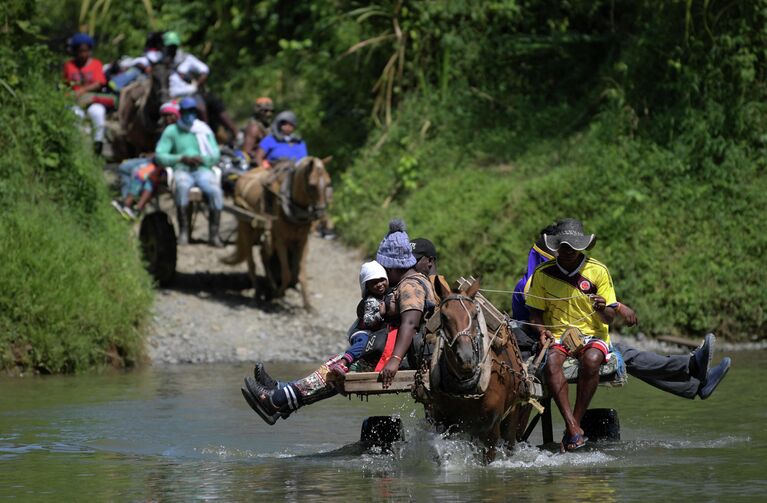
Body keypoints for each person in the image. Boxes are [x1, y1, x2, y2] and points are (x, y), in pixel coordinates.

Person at [242, 219, 435, 424]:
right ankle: (281, 394)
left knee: (335, 372)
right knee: (336, 365)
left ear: (393, 265)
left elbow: (410, 323)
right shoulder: (413, 282)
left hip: (395, 356)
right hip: (388, 350)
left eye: (385, 268)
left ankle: (276, 400)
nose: (384, 274)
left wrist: (395, 360)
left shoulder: (411, 286)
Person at [514, 222, 731, 400]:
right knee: (625, 354)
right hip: (545, 341)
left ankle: (694, 382)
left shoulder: (544, 276)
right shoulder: (536, 280)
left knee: (624, 353)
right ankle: (691, 369)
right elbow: (539, 316)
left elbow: (578, 292)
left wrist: (615, 305)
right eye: (564, 248)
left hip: (574, 334)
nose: (570, 253)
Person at [526, 219, 618, 451]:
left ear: (582, 247)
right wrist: (541, 331)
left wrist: (602, 307)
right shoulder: (542, 273)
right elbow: (534, 313)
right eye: (563, 247)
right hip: (557, 335)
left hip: (592, 333)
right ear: (556, 248)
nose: (567, 252)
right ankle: (573, 426)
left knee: (592, 359)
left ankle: (572, 426)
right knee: (552, 364)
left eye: (572, 247)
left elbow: (610, 317)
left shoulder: (598, 271)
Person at [154, 97, 223, 247]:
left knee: (215, 191)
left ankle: (214, 234)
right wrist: (180, 158)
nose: (189, 114)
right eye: (186, 111)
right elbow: (160, 155)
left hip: (203, 169)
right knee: (182, 186)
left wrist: (203, 159)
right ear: (181, 112)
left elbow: (215, 154)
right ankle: (184, 232)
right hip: (182, 170)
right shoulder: (172, 131)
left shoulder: (204, 130)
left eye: (192, 111)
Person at [63, 32, 116, 155]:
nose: (83, 54)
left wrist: (82, 90)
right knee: (76, 116)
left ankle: (98, 147)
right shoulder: (68, 66)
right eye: (80, 51)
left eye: (85, 51)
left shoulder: (96, 64)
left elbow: (99, 82)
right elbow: (64, 84)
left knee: (97, 113)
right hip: (74, 101)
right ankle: (76, 148)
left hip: (93, 100)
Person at [240, 97, 274, 162]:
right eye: (265, 111)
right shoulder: (254, 128)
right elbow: (246, 152)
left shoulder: (267, 126)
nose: (269, 114)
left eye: (271, 111)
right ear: (258, 111)